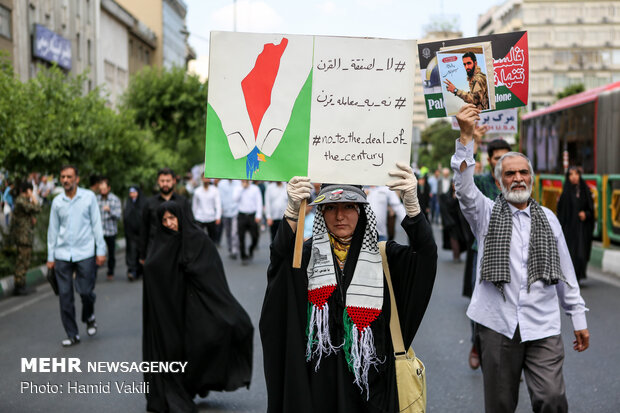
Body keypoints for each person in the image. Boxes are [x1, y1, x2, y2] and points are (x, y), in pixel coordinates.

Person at [259, 163, 437, 412]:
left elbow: (425, 256)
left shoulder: (383, 256)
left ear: (362, 210)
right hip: (320, 385)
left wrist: (413, 208)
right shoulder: (306, 257)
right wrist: (291, 214)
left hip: (372, 384)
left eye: (349, 207)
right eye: (330, 208)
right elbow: (279, 266)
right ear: (320, 213)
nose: (339, 216)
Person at [452, 104, 589, 413]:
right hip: (498, 325)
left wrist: (577, 318)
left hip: (543, 325)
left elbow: (566, 274)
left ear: (532, 178)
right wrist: (465, 138)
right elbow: (463, 188)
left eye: (523, 172)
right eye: (509, 173)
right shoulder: (485, 213)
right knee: (500, 405)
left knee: (552, 398)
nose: (517, 178)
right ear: (500, 180)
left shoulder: (550, 220)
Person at [143, 201, 253, 413]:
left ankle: (198, 382)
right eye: (164, 220)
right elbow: (153, 269)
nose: (169, 224)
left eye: (172, 218)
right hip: (171, 313)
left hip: (198, 307)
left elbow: (212, 276)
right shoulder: (160, 244)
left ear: (181, 217)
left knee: (218, 335)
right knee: (175, 350)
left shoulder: (197, 240)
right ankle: (182, 388)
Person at [464, 135, 511, 369]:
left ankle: (512, 354)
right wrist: (470, 143)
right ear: (490, 160)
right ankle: (476, 343)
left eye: (505, 156)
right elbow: (465, 183)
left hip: (511, 253)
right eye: (496, 157)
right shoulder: (482, 181)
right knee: (480, 300)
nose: (501, 160)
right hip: (482, 250)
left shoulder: (516, 180)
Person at [47, 165, 106, 347]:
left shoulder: (88, 197)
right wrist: (50, 256)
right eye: (63, 177)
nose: (66, 180)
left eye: (69, 177)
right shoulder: (57, 202)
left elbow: (96, 224)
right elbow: (53, 230)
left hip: (85, 252)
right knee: (65, 296)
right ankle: (72, 334)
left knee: (86, 292)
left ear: (77, 179)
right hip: (62, 254)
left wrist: (100, 250)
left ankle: (89, 316)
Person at [139, 168, 189, 264]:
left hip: (178, 250)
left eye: (168, 181)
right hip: (154, 250)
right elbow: (144, 229)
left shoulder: (183, 202)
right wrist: (142, 254)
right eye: (162, 181)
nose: (165, 184)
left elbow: (189, 225)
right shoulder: (149, 203)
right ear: (158, 182)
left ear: (174, 181)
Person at [557, 166, 595, 284]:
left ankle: (578, 276)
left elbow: (591, 210)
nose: (574, 177)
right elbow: (561, 214)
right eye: (571, 174)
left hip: (582, 229)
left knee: (581, 254)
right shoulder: (565, 194)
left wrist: (586, 214)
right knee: (571, 253)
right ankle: (571, 278)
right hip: (569, 230)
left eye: (576, 174)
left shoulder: (585, 191)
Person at [9, 182, 41, 296]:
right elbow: (37, 208)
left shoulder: (22, 201)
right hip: (22, 236)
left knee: (25, 260)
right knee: (22, 261)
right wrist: (33, 196)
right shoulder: (21, 201)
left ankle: (22, 284)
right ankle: (18, 286)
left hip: (26, 235)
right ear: (27, 191)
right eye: (30, 191)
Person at [97, 177, 122, 281]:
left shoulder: (114, 199)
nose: (102, 191)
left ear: (109, 188)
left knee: (111, 253)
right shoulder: (95, 199)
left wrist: (109, 211)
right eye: (101, 189)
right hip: (99, 232)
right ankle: (93, 273)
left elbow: (118, 216)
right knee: (96, 253)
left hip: (111, 231)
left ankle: (110, 272)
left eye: (104, 189)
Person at [237, 180, 262, 264]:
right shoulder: (238, 188)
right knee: (241, 237)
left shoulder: (255, 188)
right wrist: (241, 188)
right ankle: (243, 256)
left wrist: (258, 215)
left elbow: (259, 202)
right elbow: (234, 199)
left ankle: (251, 248)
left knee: (255, 236)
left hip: (252, 215)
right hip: (242, 215)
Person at [123, 186, 144, 281]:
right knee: (132, 251)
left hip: (141, 233)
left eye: (134, 192)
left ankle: (140, 270)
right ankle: (132, 270)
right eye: (130, 193)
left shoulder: (143, 203)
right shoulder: (128, 203)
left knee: (141, 251)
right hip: (130, 233)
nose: (132, 195)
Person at [218, 179, 242, 259]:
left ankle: (235, 250)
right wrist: (220, 208)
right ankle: (230, 247)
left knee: (234, 232)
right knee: (228, 232)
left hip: (236, 210)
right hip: (225, 211)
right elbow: (219, 197)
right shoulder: (221, 183)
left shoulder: (238, 182)